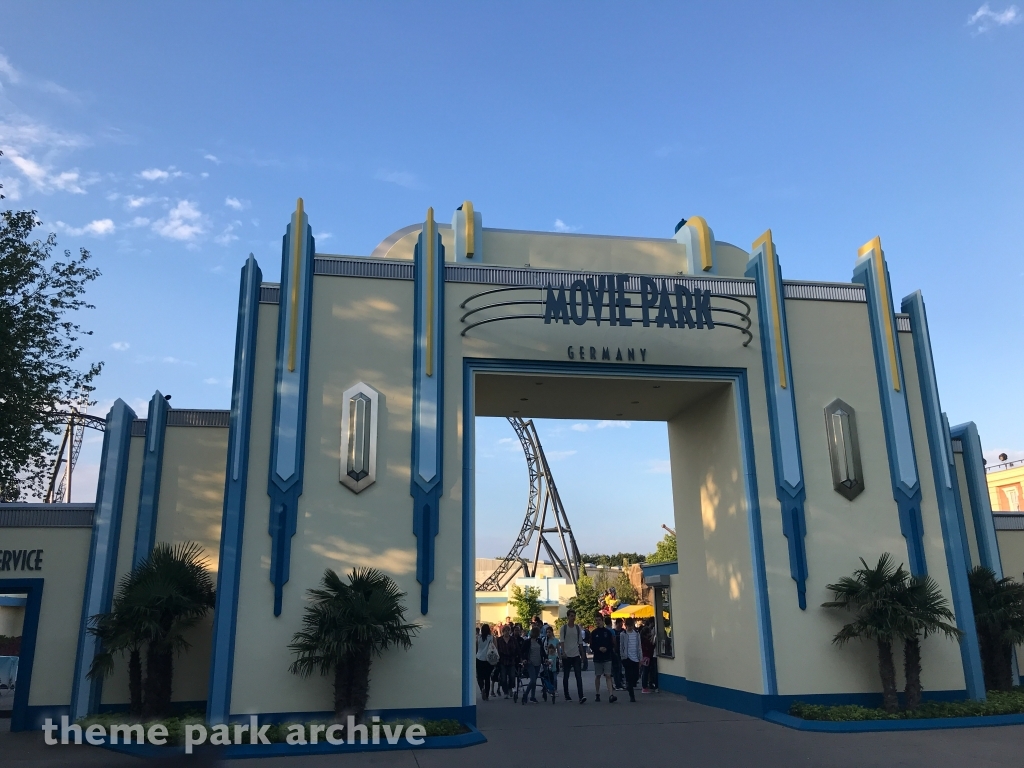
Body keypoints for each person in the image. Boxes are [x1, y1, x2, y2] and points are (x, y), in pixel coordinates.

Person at [559, 609, 587, 703]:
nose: (573, 617)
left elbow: (580, 642)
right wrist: (563, 652)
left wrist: (582, 653)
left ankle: (581, 696)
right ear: (568, 617)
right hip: (567, 655)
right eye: (571, 616)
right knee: (566, 676)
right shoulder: (564, 628)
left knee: (578, 676)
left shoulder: (577, 628)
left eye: (574, 615)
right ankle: (567, 695)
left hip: (576, 655)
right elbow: (562, 641)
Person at [590, 615, 617, 703]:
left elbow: (612, 643)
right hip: (598, 657)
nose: (598, 622)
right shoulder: (594, 633)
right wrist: (598, 649)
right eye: (596, 620)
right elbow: (592, 645)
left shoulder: (608, 632)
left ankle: (611, 694)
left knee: (608, 675)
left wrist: (607, 648)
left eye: (599, 620)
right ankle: (597, 694)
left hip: (607, 657)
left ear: (602, 621)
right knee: (598, 675)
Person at [618, 617, 642, 702]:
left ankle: (630, 685)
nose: (630, 627)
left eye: (631, 625)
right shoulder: (623, 634)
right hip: (627, 658)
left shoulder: (637, 634)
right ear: (626, 625)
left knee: (635, 676)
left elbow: (639, 646)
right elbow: (621, 646)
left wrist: (640, 658)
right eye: (628, 625)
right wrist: (622, 657)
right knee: (629, 676)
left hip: (635, 657)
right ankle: (632, 695)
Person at [521, 625, 545, 705]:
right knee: (533, 679)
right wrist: (524, 659)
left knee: (534, 681)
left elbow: (542, 651)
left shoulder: (539, 641)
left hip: (538, 662)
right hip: (530, 662)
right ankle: (526, 694)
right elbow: (522, 652)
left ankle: (533, 696)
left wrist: (546, 658)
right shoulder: (527, 642)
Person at [476, 624, 497, 701]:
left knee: (479, 677)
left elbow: (477, 648)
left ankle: (482, 688)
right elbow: (495, 648)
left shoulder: (478, 638)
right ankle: (487, 695)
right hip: (488, 659)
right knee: (487, 677)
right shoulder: (492, 638)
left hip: (479, 658)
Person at [497, 624, 517, 699]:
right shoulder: (499, 640)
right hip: (502, 660)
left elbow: (516, 648)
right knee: (503, 677)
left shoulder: (513, 639)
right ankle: (505, 692)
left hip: (511, 660)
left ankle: (510, 688)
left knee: (512, 676)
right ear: (503, 632)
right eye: (505, 631)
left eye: (508, 631)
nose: (506, 632)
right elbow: (497, 649)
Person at [640, 620, 658, 693]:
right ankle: (645, 687)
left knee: (645, 671)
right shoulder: (646, 641)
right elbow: (651, 647)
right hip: (647, 657)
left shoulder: (642, 640)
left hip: (645, 657)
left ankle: (645, 686)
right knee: (646, 672)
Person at [542, 625, 560, 701]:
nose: (548, 634)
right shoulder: (545, 640)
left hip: (554, 659)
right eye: (547, 632)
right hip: (547, 659)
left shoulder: (556, 640)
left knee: (555, 677)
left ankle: (555, 689)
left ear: (552, 632)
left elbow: (558, 650)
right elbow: (543, 650)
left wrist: (560, 659)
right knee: (548, 676)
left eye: (549, 632)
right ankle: (548, 689)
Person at [612, 617, 625, 690]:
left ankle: (620, 680)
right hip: (616, 652)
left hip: (622, 651)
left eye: (622, 623)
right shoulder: (614, 631)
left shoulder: (623, 631)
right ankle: (618, 682)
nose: (621, 625)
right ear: (617, 623)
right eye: (620, 623)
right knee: (617, 667)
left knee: (620, 667)